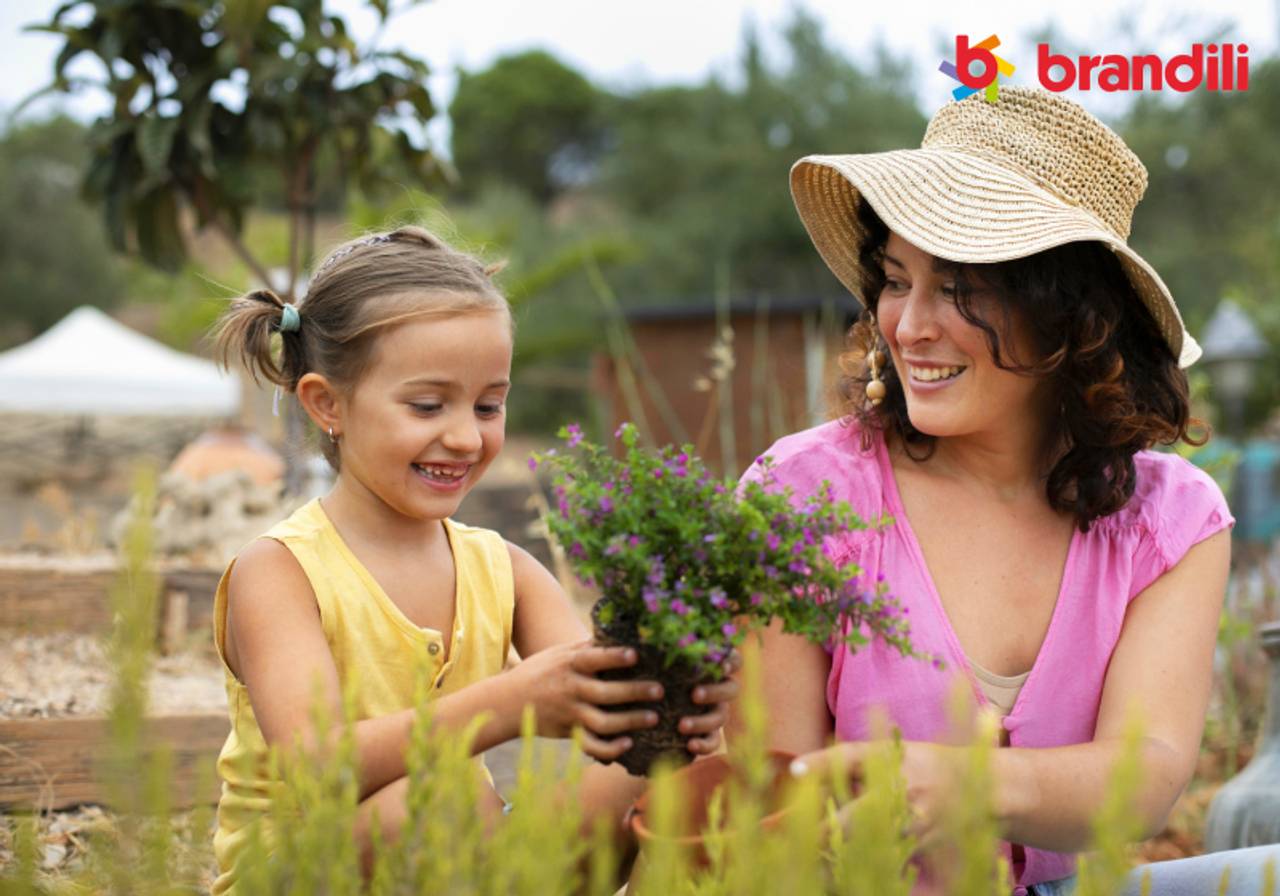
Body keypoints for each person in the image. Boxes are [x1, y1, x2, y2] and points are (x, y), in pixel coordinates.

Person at [736, 86, 1273, 894]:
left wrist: (959, 788)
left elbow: (1145, 779)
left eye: (960, 287)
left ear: (1073, 317)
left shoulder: (1170, 519)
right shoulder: (805, 493)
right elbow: (770, 800)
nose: (910, 325)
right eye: (894, 280)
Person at [207, 227, 736, 893]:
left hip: (463, 862)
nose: (464, 436)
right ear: (327, 404)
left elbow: (603, 698)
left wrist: (669, 708)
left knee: (645, 772)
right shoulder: (281, 572)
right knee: (435, 799)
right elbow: (318, 772)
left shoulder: (504, 568)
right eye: (427, 405)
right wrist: (512, 700)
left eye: (489, 405)